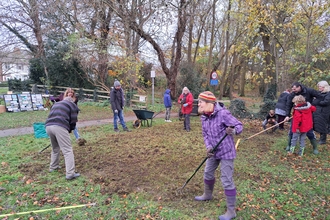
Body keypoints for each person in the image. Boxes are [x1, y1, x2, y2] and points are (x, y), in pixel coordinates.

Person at [195, 91, 243, 220]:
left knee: (226, 180)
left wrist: (232, 130)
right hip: (213, 151)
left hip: (226, 152)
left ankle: (231, 211)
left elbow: (239, 125)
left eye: (200, 101)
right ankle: (207, 194)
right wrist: (209, 147)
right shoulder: (204, 116)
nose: (198, 103)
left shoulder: (223, 114)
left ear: (209, 103)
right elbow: (205, 134)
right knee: (208, 173)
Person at [45, 96, 80, 180]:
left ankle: (53, 167)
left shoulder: (56, 104)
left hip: (48, 126)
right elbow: (73, 120)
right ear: (71, 101)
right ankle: (70, 173)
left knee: (55, 148)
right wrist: (70, 129)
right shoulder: (72, 105)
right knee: (67, 150)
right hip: (59, 126)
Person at [284, 82, 319, 154]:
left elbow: (319, 96)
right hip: (296, 117)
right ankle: (289, 145)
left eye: (295, 89)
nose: (294, 90)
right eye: (292, 89)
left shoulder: (309, 91)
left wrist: (313, 104)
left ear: (299, 87)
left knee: (309, 132)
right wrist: (287, 115)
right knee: (292, 131)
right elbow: (288, 105)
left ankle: (315, 148)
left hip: (307, 118)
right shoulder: (292, 95)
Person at [312, 81, 330, 145]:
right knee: (319, 125)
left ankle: (323, 140)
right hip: (318, 112)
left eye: (320, 86)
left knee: (323, 126)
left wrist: (317, 102)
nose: (319, 88)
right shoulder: (319, 93)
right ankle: (321, 139)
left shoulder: (328, 94)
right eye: (318, 86)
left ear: (324, 87)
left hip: (324, 112)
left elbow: (326, 102)